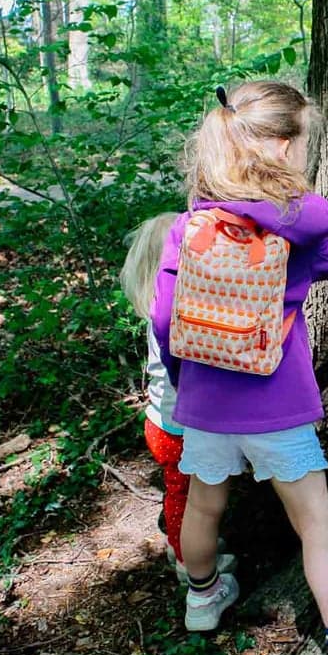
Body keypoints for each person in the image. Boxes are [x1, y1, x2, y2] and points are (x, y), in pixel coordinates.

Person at [150, 81, 328, 655]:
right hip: (275, 406)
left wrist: (185, 384)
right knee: (316, 525)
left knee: (203, 509)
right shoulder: (293, 235)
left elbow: (163, 317)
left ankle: (202, 596)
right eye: (301, 144)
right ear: (280, 149)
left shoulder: (190, 228)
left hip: (203, 406)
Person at [120, 213, 235, 583]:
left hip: (161, 421)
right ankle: (188, 561)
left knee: (181, 490)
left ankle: (182, 544)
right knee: (186, 496)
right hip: (178, 428)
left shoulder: (157, 309)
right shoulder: (177, 315)